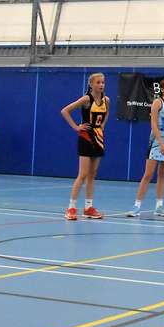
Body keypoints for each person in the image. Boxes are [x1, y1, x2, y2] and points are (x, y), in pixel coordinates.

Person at [127, 78, 164, 217]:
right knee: (148, 174)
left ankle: (159, 207)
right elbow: (153, 124)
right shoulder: (157, 103)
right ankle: (136, 206)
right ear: (162, 89)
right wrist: (161, 143)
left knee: (162, 174)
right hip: (157, 142)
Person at [61, 73, 110, 221]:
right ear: (91, 84)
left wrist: (101, 127)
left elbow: (106, 115)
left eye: (103, 82)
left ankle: (88, 208)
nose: (101, 85)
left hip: (99, 139)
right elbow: (65, 111)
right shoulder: (86, 99)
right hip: (86, 138)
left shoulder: (106, 100)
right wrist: (76, 127)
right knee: (82, 175)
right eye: (98, 82)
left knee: (92, 175)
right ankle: (71, 208)